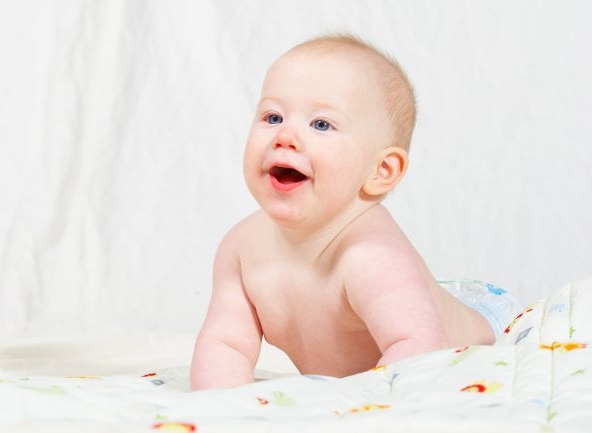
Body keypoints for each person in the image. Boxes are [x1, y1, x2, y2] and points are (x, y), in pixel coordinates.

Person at [190, 34, 522, 391]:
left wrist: (357, 413)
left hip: (483, 330)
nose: (285, 136)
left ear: (381, 171)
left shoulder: (372, 257)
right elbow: (227, 344)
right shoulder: (241, 248)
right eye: (273, 116)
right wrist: (217, 413)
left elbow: (419, 352)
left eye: (321, 124)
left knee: (411, 313)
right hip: (412, 306)